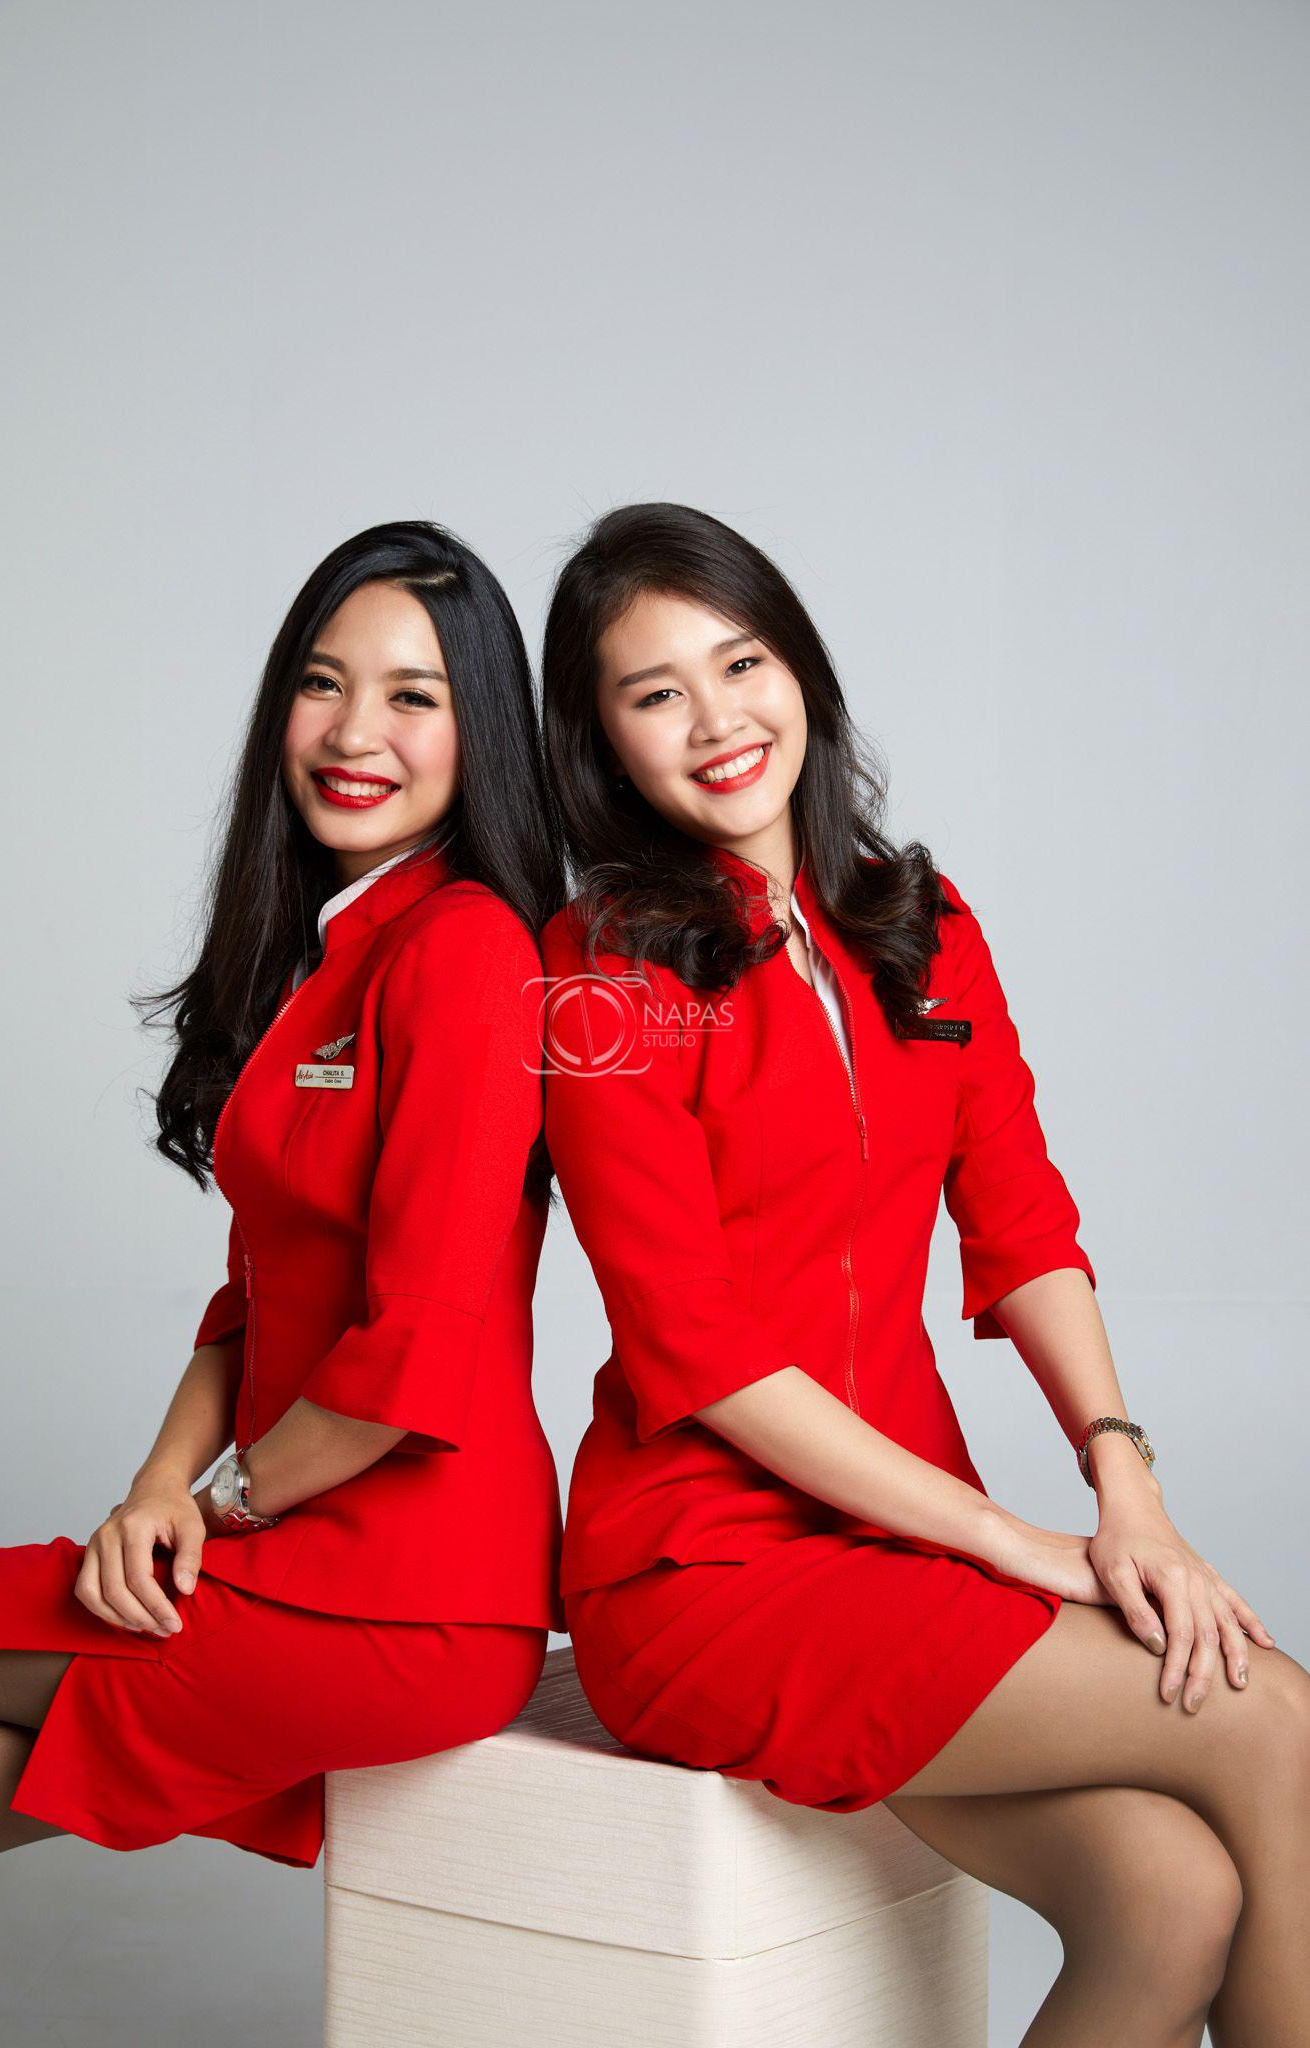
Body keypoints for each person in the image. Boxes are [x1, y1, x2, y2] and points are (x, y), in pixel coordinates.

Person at [535, 501, 1308, 2046]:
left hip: (895, 1542)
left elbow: (1023, 1227)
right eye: (655, 693)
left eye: (740, 664)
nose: (716, 720)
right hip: (704, 1573)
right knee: (1265, 1714)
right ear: (602, 741)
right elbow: (696, 1346)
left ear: (799, 669)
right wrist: (1009, 1543)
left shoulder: (922, 924)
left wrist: (1123, 1486)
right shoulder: (596, 971)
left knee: (1165, 1899)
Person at [0, 521, 565, 2045]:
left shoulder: (465, 950)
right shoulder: (329, 955)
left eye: (414, 696)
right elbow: (251, 1301)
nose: (355, 734)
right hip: (300, 1551)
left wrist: (213, 1511)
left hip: (401, 1596)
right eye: (322, 683)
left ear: (481, 733)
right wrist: (154, 1489)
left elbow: (413, 1351)